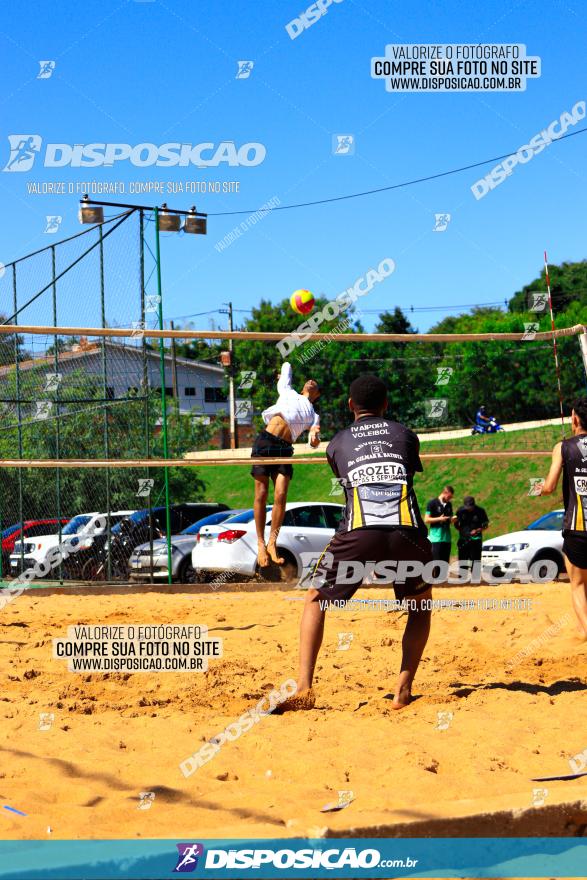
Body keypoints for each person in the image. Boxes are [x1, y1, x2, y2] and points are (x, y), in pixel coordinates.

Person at [278, 373, 433, 712]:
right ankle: (403, 690)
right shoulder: (407, 435)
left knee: (315, 599)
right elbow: (406, 468)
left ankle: (304, 686)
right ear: (386, 404)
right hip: (408, 531)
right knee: (420, 604)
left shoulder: (337, 443)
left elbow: (347, 477)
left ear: (350, 406)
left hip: (358, 534)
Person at [251, 362, 321, 568]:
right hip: (265, 441)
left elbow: (313, 443)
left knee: (280, 495)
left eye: (314, 384)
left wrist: (315, 438)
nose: (311, 382)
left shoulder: (313, 414)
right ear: (302, 387)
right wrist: (283, 373)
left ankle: (272, 542)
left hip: (284, 449)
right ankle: (261, 544)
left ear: (317, 394)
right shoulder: (287, 391)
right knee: (260, 494)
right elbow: (287, 364)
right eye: (308, 381)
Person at [538, 397, 587, 639]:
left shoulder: (563, 447)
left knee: (578, 584)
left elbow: (549, 486)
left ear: (575, 418)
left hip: (577, 529)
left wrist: (540, 488)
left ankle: (585, 629)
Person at [454, 496, 489, 569]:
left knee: (476, 560)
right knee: (463, 561)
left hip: (476, 540)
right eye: (467, 506)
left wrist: (477, 530)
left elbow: (485, 525)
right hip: (463, 540)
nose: (469, 508)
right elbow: (456, 524)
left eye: (471, 506)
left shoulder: (480, 511)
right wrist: (463, 531)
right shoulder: (460, 511)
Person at [425, 485, 454, 563]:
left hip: (447, 538)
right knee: (437, 564)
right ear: (445, 493)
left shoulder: (449, 505)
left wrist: (452, 520)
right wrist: (439, 519)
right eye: (449, 497)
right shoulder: (432, 503)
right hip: (436, 539)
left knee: (445, 564)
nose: (449, 499)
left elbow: (449, 518)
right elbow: (426, 519)